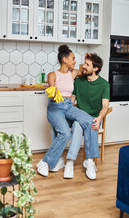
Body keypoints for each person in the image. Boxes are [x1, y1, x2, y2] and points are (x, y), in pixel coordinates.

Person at [37, 45, 96, 177]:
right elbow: (52, 91)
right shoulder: (52, 74)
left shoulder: (73, 73)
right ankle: (45, 162)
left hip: (69, 106)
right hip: (55, 107)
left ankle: (89, 161)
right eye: (73, 58)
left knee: (92, 121)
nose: (75, 61)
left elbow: (85, 71)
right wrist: (53, 94)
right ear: (65, 59)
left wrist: (88, 59)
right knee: (65, 133)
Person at [51, 53, 110, 180]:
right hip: (78, 115)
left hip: (94, 118)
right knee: (71, 121)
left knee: (86, 123)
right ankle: (85, 161)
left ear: (95, 69)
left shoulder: (104, 84)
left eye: (87, 65)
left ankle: (72, 162)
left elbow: (105, 106)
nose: (83, 67)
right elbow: (71, 101)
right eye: (84, 64)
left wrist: (99, 118)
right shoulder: (78, 81)